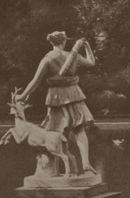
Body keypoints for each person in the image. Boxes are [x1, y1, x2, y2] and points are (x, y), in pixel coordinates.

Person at [15, 31, 97, 175]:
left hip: (56, 97)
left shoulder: (47, 59)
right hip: (74, 94)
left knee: (55, 130)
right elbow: (92, 62)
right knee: (79, 130)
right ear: (64, 41)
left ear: (51, 42)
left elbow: (35, 82)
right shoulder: (74, 56)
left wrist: (22, 96)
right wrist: (87, 47)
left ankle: (51, 170)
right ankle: (85, 163)